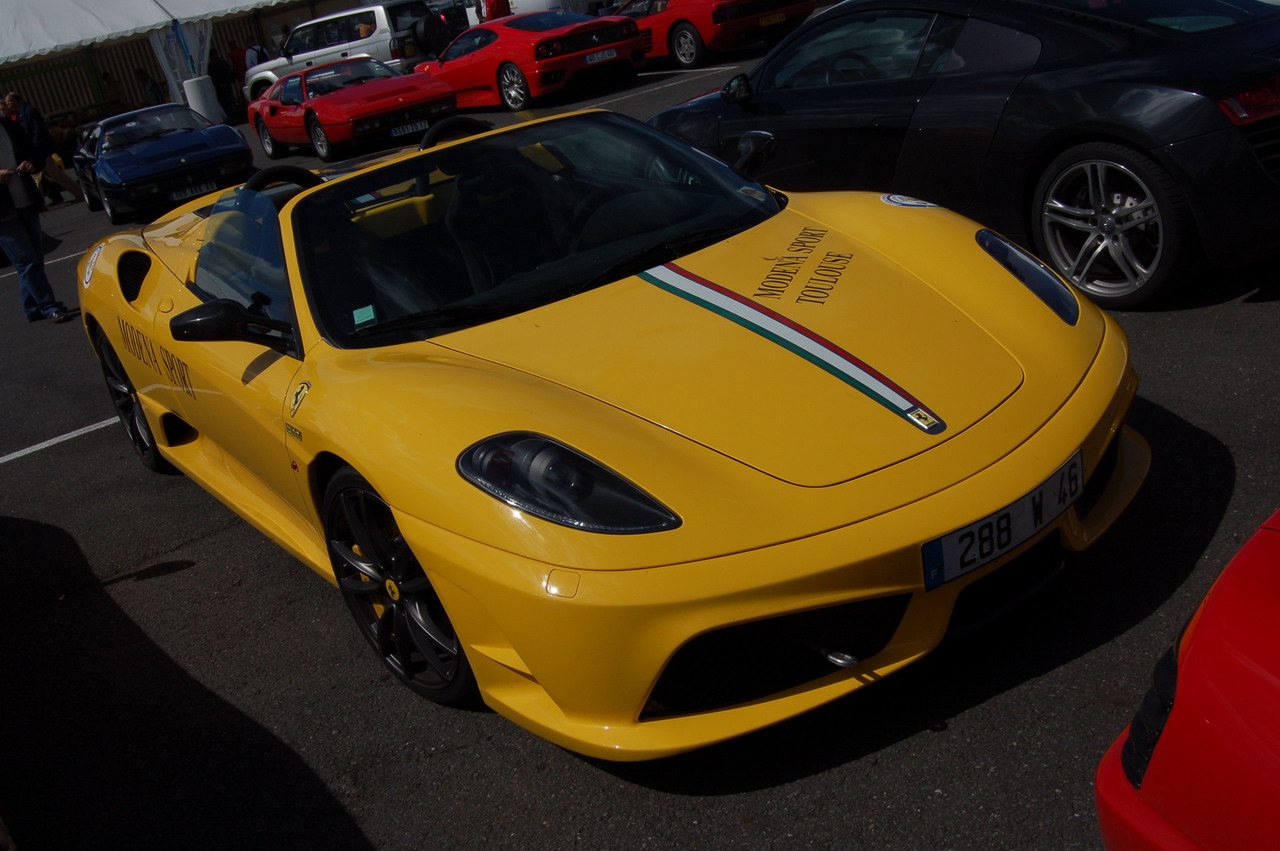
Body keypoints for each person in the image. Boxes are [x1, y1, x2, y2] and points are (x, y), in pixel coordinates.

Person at [0, 113, 76, 323]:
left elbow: (35, 153)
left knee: (35, 259)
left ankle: (31, 307)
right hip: (3, 214)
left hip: (27, 202)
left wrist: (31, 162)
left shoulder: (8, 125)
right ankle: (49, 306)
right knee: (26, 261)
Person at [3, 92, 80, 203]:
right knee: (43, 176)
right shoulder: (23, 113)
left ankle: (78, 192)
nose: (8, 106)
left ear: (14, 101)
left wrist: (36, 149)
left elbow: (38, 132)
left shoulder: (29, 112)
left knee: (54, 173)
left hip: (41, 150)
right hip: (38, 150)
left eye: (8, 103)